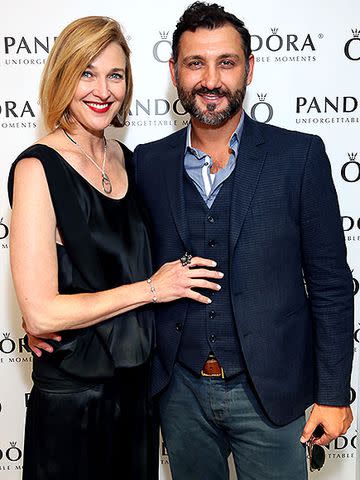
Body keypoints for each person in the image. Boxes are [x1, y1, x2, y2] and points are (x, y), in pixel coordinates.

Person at [131, 2, 354, 479]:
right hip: (179, 393)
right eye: (195, 63)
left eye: (226, 62)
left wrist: (334, 394)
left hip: (273, 395)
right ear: (174, 71)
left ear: (249, 68)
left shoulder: (300, 157)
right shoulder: (146, 164)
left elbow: (332, 285)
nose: (210, 80)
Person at [8, 15, 222, 480]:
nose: (102, 89)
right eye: (86, 72)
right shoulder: (37, 169)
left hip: (136, 396)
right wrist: (150, 289)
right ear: (63, 75)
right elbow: (43, 314)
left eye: (115, 74)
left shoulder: (127, 160)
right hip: (74, 404)